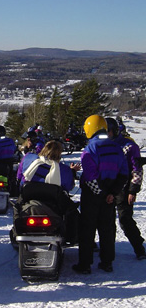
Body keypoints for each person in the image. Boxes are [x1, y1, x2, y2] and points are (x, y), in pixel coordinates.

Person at [72, 115, 128, 274]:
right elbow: (124, 173)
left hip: (93, 194)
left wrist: (103, 193)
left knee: (87, 229)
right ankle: (107, 262)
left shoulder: (90, 149)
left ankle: (84, 265)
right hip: (111, 194)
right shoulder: (117, 147)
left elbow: (90, 177)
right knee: (107, 229)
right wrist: (112, 193)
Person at [12, 140, 81, 244]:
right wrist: (72, 172)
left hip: (29, 196)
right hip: (52, 200)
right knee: (72, 211)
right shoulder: (63, 169)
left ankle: (16, 232)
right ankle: (72, 237)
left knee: (17, 207)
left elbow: (19, 176)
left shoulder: (28, 158)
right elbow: (68, 186)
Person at [106, 117, 146, 260]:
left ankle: (139, 248)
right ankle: (108, 250)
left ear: (115, 131)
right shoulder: (104, 145)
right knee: (107, 221)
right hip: (108, 188)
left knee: (125, 220)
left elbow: (137, 169)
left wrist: (133, 190)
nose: (106, 134)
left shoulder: (129, 146)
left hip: (123, 188)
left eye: (108, 131)